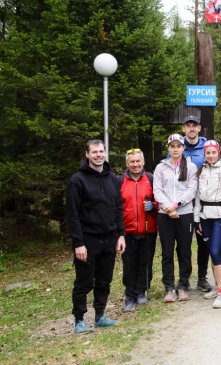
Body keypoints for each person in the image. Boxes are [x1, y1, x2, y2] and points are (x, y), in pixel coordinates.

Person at [66, 140, 126, 333]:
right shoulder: (77, 180)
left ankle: (100, 316)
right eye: (95, 152)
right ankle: (80, 320)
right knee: (84, 282)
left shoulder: (112, 178)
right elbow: (72, 215)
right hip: (88, 240)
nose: (99, 155)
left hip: (109, 238)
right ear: (87, 154)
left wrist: (121, 234)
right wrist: (78, 244)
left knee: (104, 280)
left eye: (101, 151)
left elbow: (118, 208)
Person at [153, 134, 198, 303]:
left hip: (185, 213)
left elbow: (192, 189)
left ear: (183, 148)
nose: (176, 149)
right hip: (165, 214)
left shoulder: (191, 167)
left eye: (179, 146)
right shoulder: (160, 168)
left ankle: (183, 285)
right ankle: (169, 287)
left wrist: (176, 205)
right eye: (172, 146)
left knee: (184, 250)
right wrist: (168, 207)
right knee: (167, 251)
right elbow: (157, 190)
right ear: (168, 148)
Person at [194, 140, 221, 308]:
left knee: (216, 252)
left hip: (218, 216)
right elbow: (197, 196)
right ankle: (217, 287)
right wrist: (197, 219)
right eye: (208, 153)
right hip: (204, 216)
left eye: (213, 153)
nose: (211, 156)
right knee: (210, 251)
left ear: (218, 153)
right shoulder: (201, 170)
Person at [119, 148, 159, 312]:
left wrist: (153, 207)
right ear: (127, 164)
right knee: (129, 265)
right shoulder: (120, 180)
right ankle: (130, 295)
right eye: (132, 162)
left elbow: (160, 201)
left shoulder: (151, 179)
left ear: (143, 162)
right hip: (127, 231)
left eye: (138, 161)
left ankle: (141, 291)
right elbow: (115, 206)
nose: (135, 165)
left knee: (145, 262)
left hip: (148, 230)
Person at [180, 116, 212, 293]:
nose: (191, 129)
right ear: (184, 128)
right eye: (188, 126)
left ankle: (202, 277)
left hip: (202, 202)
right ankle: (184, 280)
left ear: (199, 128)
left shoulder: (206, 146)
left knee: (203, 242)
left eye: (194, 126)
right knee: (184, 243)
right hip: (184, 202)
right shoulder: (177, 146)